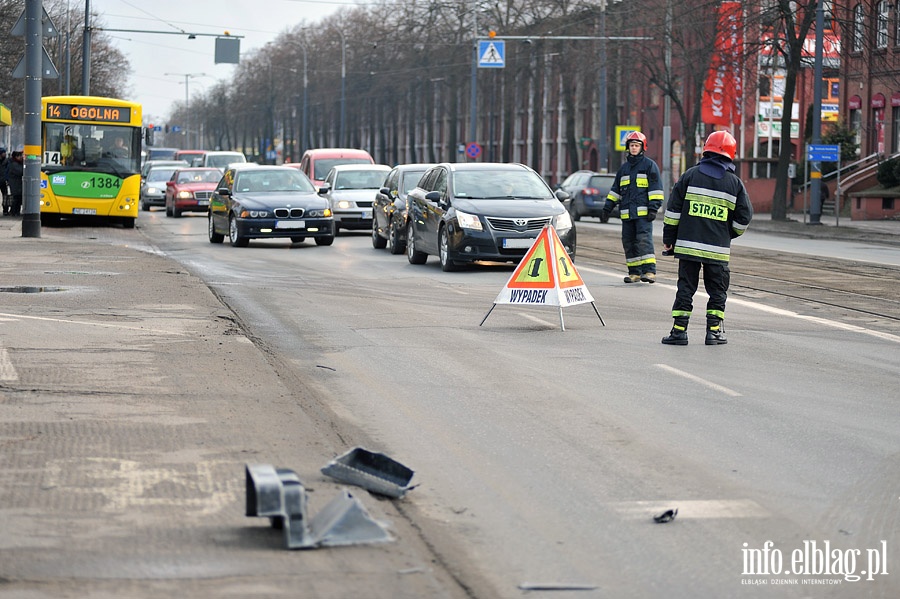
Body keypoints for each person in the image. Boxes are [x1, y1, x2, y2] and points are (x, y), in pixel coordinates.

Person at [660, 130, 753, 346]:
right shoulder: (735, 184)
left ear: (706, 151)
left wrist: (669, 238)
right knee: (717, 290)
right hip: (717, 249)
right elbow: (744, 217)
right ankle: (714, 333)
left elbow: (673, 211)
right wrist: (729, 234)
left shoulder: (689, 175)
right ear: (731, 154)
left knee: (685, 288)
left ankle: (679, 332)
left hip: (688, 247)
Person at [602, 130, 664, 283]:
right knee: (629, 242)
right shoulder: (624, 169)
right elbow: (616, 190)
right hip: (627, 215)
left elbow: (656, 189)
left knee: (644, 241)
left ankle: (649, 272)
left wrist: (653, 208)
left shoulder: (649, 166)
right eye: (631, 145)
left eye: (637, 145)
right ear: (628, 148)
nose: (634, 148)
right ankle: (634, 273)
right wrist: (607, 208)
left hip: (643, 215)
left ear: (642, 148)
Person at [7, 150, 24, 217]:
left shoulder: (17, 163)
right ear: (16, 157)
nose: (21, 157)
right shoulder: (14, 164)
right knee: (16, 198)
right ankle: (14, 211)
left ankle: (16, 211)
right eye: (20, 156)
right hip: (15, 184)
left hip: (17, 184)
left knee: (18, 198)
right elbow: (21, 171)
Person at [0, 147, 9, 215]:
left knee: (5, 195)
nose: (5, 154)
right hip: (2, 180)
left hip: (3, 181)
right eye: (3, 153)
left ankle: (5, 210)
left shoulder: (7, 161)